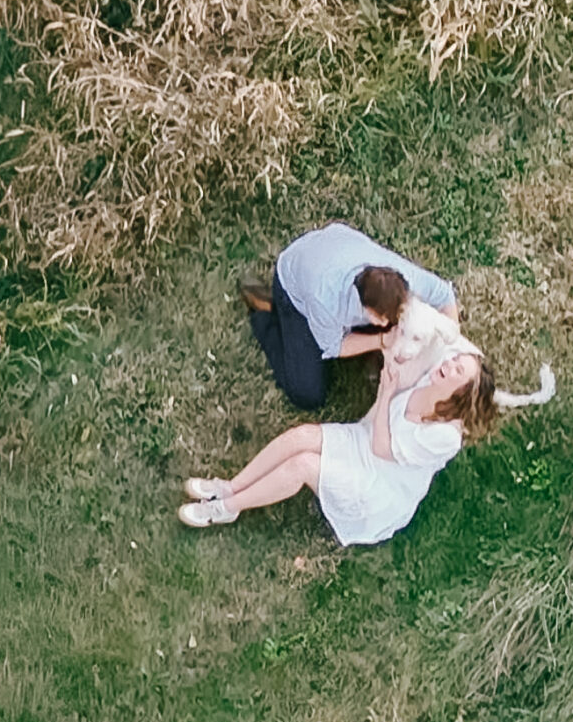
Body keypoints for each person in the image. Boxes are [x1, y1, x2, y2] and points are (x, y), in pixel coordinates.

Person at [178, 340, 492, 543]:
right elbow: (448, 332)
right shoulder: (432, 374)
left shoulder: (445, 438)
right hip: (364, 438)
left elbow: (382, 449)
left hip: (379, 482)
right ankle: (231, 486)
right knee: (302, 436)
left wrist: (385, 393)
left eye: (457, 369)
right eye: (453, 360)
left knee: (302, 466)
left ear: (463, 391)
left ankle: (226, 508)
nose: (448, 365)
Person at [243, 222, 459, 410]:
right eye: (382, 319)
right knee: (307, 392)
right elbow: (334, 346)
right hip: (294, 289)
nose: (386, 323)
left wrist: (451, 347)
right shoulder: (325, 299)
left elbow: (444, 295)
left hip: (330, 251)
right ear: (365, 306)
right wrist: (383, 340)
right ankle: (265, 310)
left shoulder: (405, 279)